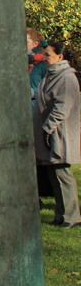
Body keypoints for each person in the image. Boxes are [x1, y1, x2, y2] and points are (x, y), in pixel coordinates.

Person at [34, 40, 81, 228]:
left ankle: (72, 216)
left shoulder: (66, 78)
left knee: (63, 175)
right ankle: (61, 215)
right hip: (50, 134)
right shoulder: (51, 75)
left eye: (49, 56)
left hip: (59, 134)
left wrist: (47, 127)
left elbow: (62, 107)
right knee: (55, 176)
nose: (45, 58)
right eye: (45, 55)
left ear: (60, 57)